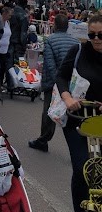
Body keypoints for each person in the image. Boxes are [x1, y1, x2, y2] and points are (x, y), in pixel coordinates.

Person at [56, 10, 102, 212]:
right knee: (83, 169)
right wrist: (67, 97)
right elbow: (61, 77)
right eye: (92, 35)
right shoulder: (78, 52)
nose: (96, 39)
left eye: (101, 35)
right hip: (78, 120)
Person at [29, 12, 74, 153]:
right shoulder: (75, 42)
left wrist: (56, 83)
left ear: (54, 26)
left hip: (54, 82)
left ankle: (43, 140)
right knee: (71, 114)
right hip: (70, 83)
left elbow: (49, 63)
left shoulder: (50, 40)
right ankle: (74, 146)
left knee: (49, 112)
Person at [0, 5, 12, 89]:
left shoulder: (8, 23)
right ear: (4, 14)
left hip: (5, 50)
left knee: (3, 68)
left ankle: (0, 84)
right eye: (9, 15)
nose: (10, 17)